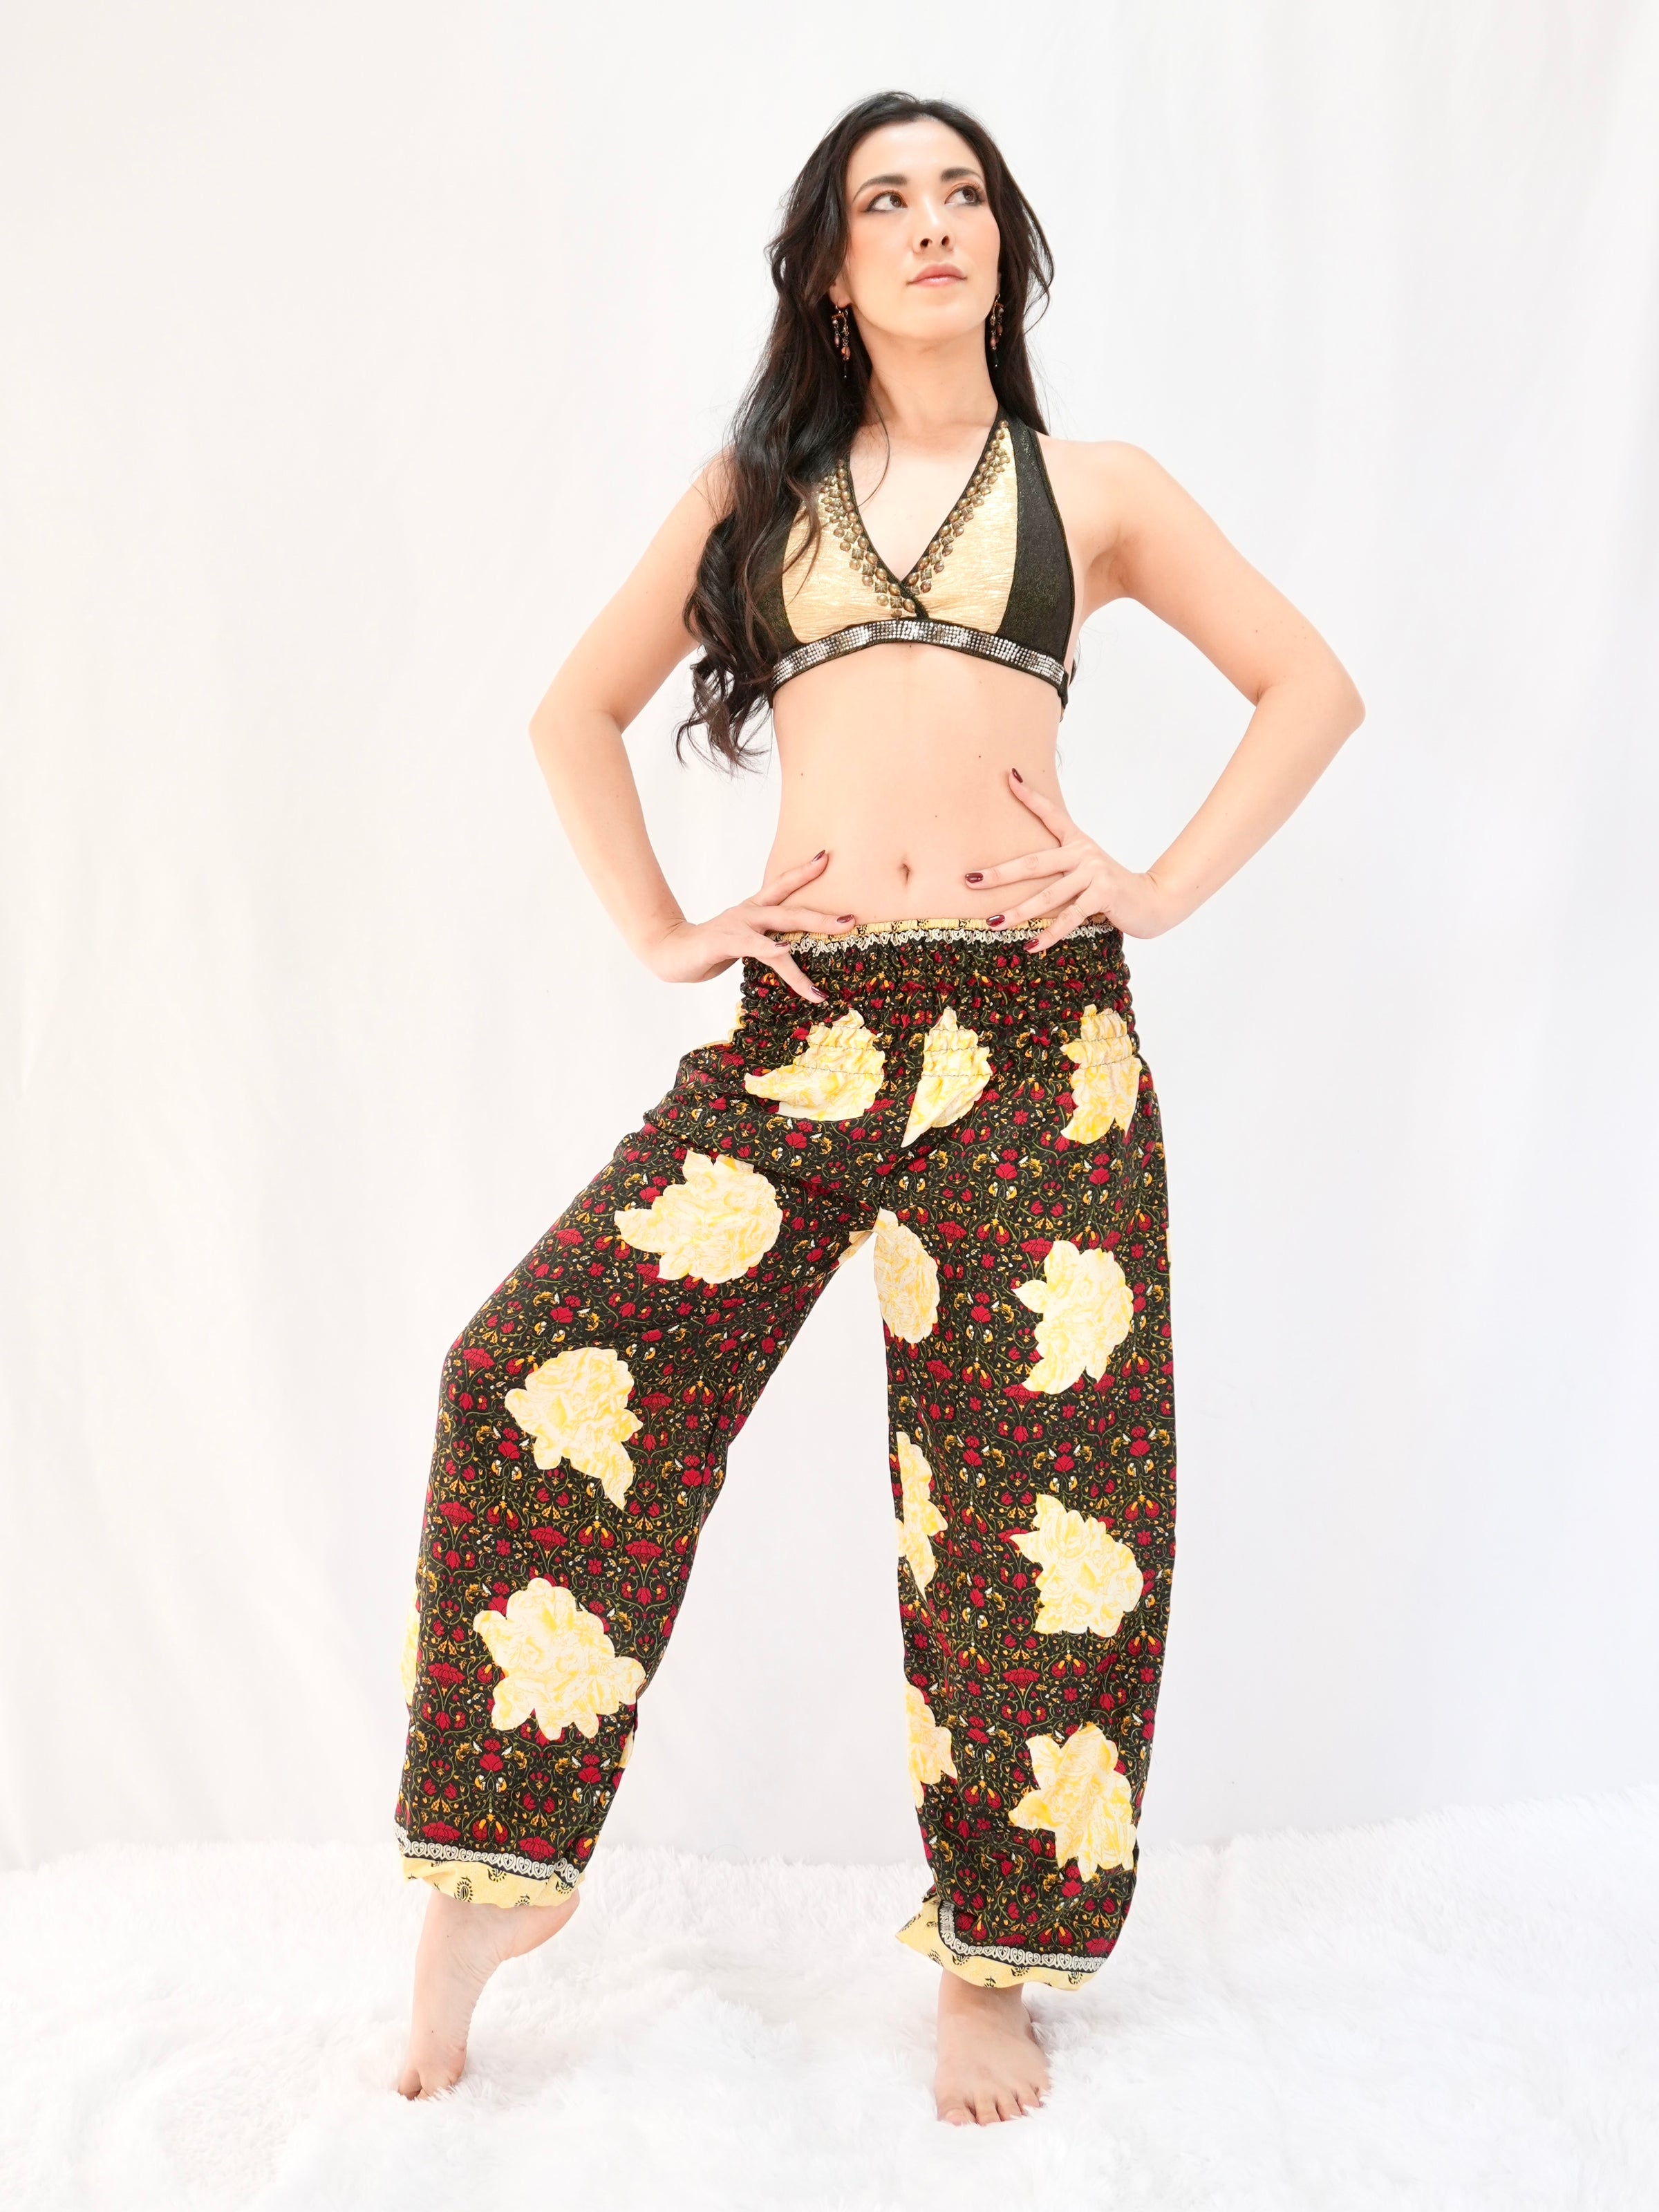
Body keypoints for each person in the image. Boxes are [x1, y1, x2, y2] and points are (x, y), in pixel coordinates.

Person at [393, 89, 1362, 2123]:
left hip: (1039, 1037)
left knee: (1040, 1495)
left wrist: (1158, 886)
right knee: (532, 1369)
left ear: (1002, 245)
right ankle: (491, 1882)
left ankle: (991, 1966)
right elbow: (573, 711)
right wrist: (669, 929)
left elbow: (1312, 687)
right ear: (834, 272)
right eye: (886, 200)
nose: (933, 223)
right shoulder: (759, 493)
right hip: (812, 1028)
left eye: (963, 195)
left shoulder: (1095, 491)